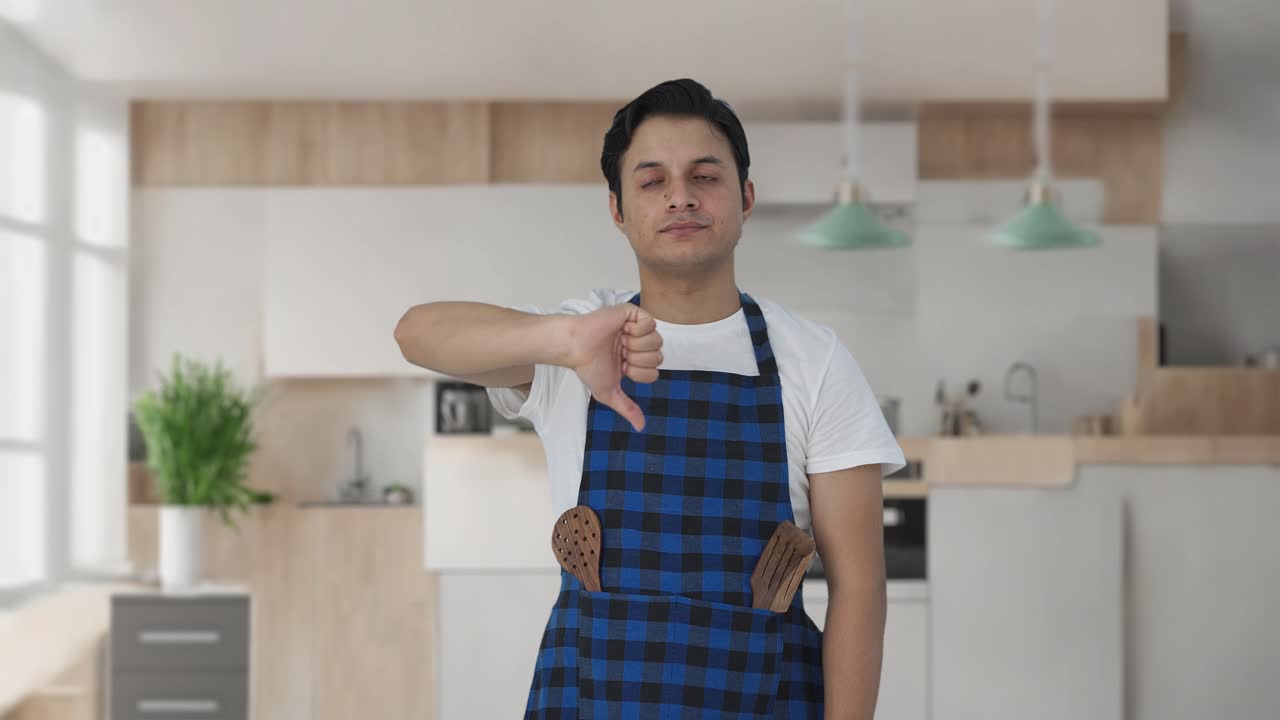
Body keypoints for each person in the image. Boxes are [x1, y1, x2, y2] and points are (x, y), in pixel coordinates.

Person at [394, 78, 906, 719]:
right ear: (618, 209)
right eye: (652, 180)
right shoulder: (576, 341)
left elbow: (859, 587)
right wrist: (564, 338)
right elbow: (416, 334)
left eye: (705, 176)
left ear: (745, 197)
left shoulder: (815, 360)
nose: (681, 197)